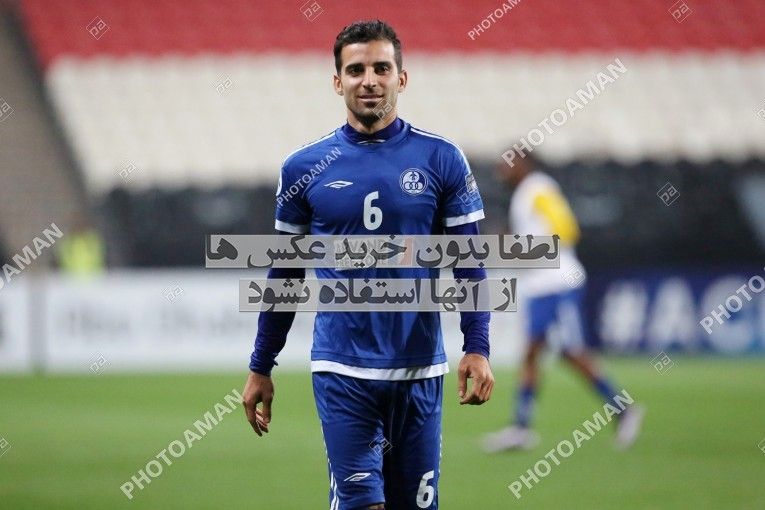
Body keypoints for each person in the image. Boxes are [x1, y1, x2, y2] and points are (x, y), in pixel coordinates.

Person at [241, 20, 494, 509]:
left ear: (402, 78)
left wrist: (477, 346)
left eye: (381, 68)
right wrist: (261, 365)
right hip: (342, 369)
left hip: (419, 370)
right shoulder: (303, 167)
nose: (369, 80)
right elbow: (285, 276)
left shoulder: (442, 158)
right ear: (337, 82)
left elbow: (469, 263)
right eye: (356, 70)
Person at [482, 150, 643, 453]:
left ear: (523, 163)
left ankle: (623, 409)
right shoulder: (525, 194)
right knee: (532, 353)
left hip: (558, 282)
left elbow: (566, 229)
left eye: (508, 163)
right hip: (539, 285)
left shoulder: (538, 188)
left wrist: (524, 249)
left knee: (572, 351)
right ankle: (520, 427)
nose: (502, 170)